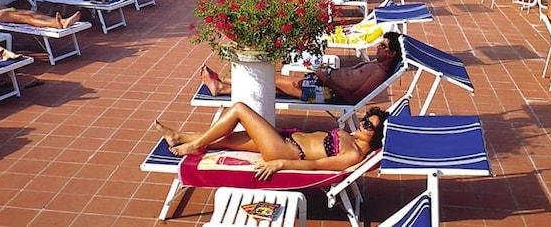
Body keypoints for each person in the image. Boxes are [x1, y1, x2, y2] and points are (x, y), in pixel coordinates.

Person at [153, 103, 388, 179]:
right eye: (365, 119)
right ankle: (179, 137)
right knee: (226, 140)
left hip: (284, 151)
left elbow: (316, 165)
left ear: (375, 136)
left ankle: (194, 145)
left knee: (239, 110)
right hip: (284, 138)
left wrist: (280, 164)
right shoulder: (352, 137)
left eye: (369, 125)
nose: (363, 123)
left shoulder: (354, 154)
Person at [201, 32, 402, 104]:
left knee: (271, 80)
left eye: (383, 46)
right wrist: (326, 72)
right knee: (274, 86)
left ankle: (224, 81)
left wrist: (326, 78)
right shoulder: (375, 64)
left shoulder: (379, 73)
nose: (378, 47)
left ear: (392, 53)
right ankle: (223, 87)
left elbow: (353, 99)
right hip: (323, 83)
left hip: (327, 92)